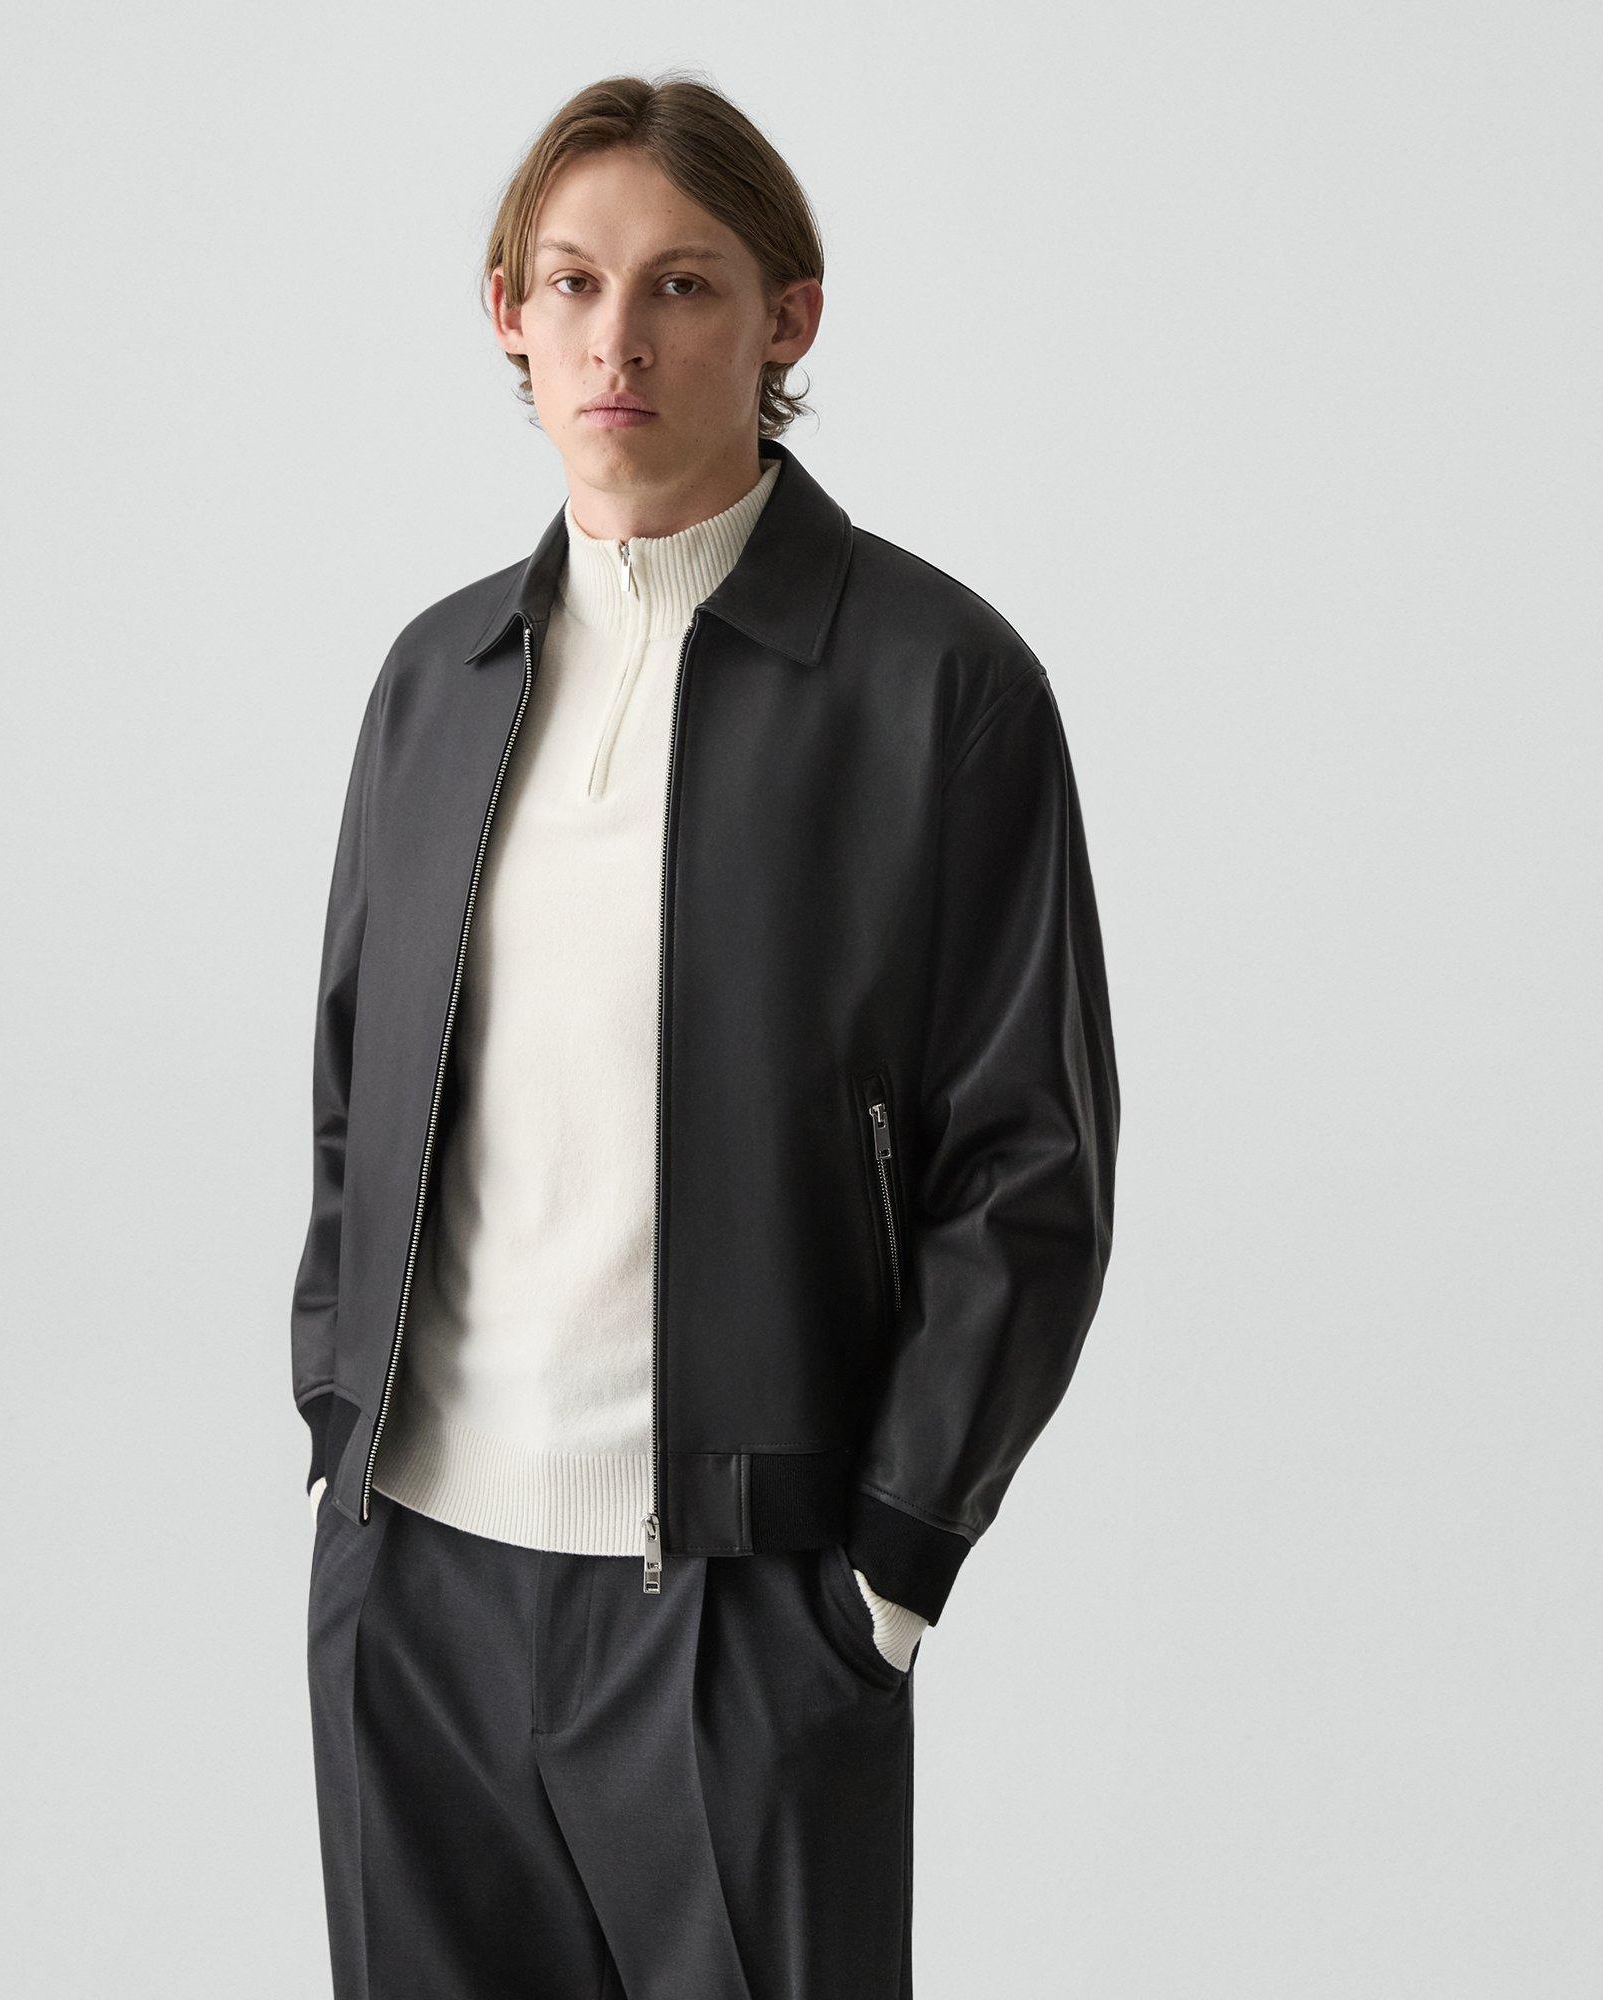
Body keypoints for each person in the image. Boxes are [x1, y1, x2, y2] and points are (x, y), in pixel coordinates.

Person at [291, 72, 1119, 2000]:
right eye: (573, 284)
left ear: (786, 318)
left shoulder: (941, 689)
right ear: (508, 312)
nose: (619, 341)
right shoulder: (436, 679)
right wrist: (338, 1418)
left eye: (682, 285)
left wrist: (885, 1568)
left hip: (747, 1613)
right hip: (416, 1589)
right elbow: (353, 1086)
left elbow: (1032, 1166)